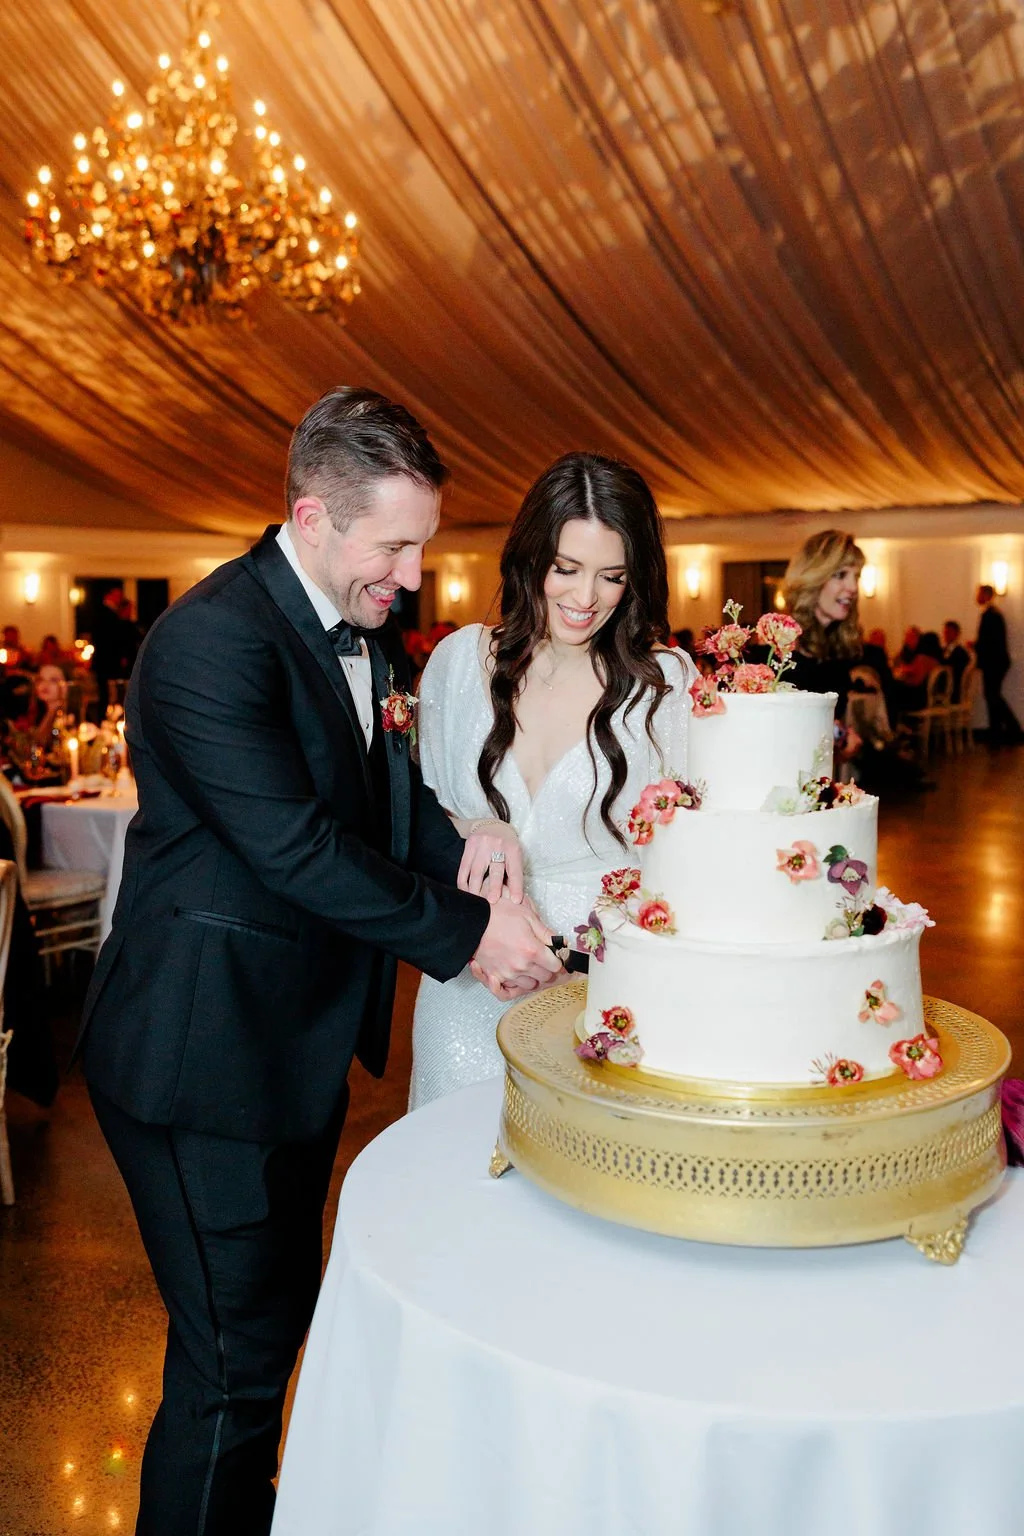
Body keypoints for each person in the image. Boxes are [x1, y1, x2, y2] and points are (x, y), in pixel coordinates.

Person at [77, 387, 561, 1536]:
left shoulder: (366, 627)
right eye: (392, 545)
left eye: (420, 546)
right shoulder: (207, 641)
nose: (409, 572)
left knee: (271, 1326)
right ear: (311, 515)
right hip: (198, 1056)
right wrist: (463, 937)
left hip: (282, 1050)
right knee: (233, 1362)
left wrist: (474, 866)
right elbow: (297, 847)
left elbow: (386, 807)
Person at [407, 451, 698, 1108]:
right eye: (565, 568)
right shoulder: (458, 663)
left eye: (611, 576)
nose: (585, 597)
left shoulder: (667, 687)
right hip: (470, 982)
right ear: (530, 558)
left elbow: (692, 859)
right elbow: (412, 816)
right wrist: (473, 827)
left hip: (603, 992)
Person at [974, 583, 1022, 745]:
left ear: (987, 595)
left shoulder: (991, 615)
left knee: (992, 696)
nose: (977, 597)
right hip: (996, 662)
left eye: (979, 593)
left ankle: (1010, 729)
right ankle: (998, 730)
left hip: (993, 662)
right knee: (992, 696)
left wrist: (976, 646)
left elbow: (990, 641)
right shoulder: (992, 614)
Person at [941, 620, 971, 702]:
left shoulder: (961, 653)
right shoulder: (942, 650)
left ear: (957, 634)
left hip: (953, 689)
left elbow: (958, 673)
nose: (946, 635)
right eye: (945, 632)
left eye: (949, 632)